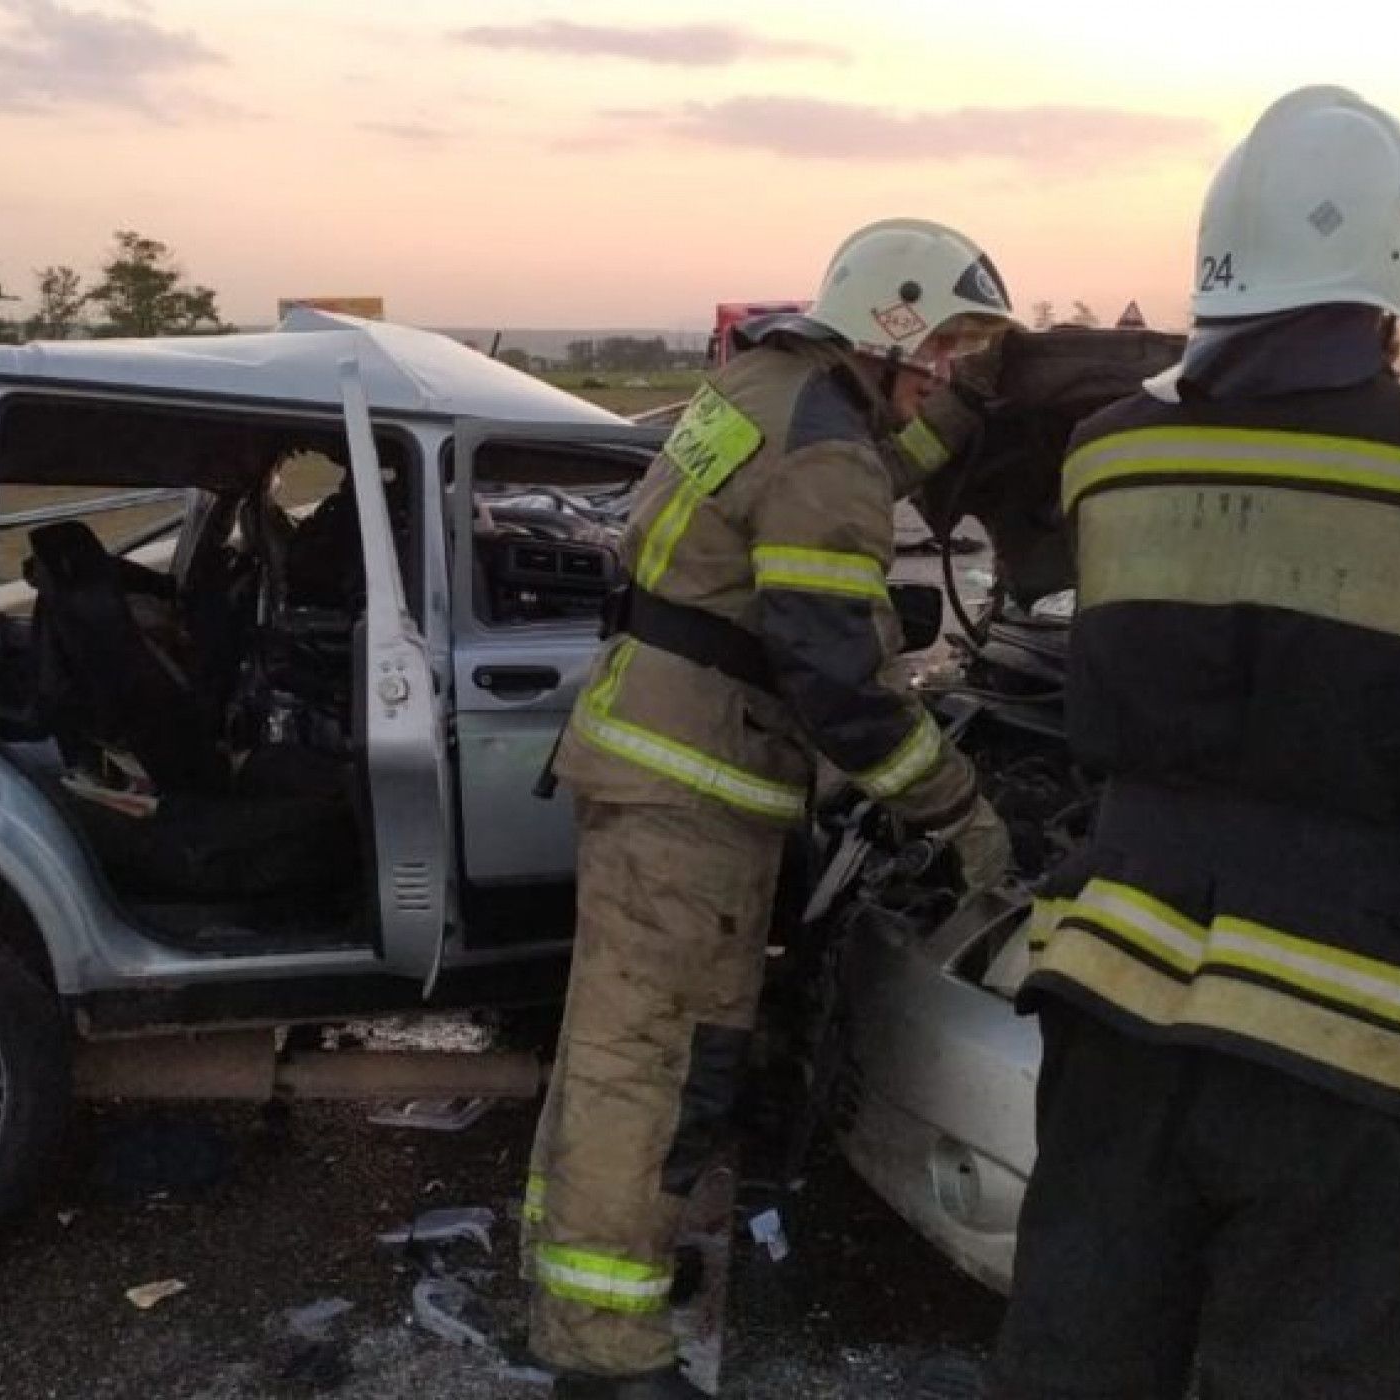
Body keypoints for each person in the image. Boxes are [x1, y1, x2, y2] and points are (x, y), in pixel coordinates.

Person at [988, 86, 1400, 1399]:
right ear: (1399, 265)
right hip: (1353, 1049)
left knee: (1074, 1361)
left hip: (1113, 1005)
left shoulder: (1108, 460)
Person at [527, 219, 1019, 1398]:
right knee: (653, 1060)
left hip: (646, 762)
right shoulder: (823, 444)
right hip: (691, 790)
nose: (941, 369)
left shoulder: (760, 385)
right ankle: (604, 1345)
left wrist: (966, 414)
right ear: (892, 324)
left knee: (611, 1048)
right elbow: (835, 673)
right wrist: (958, 810)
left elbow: (855, 470)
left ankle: (585, 1281)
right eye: (943, 346)